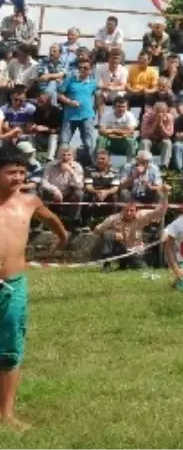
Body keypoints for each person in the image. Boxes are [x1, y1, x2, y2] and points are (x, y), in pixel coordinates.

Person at [0, 144, 68, 432]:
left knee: (10, 351)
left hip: (13, 286)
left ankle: (6, 414)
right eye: (10, 172)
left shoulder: (29, 202)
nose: (17, 177)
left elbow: (50, 218)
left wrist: (63, 238)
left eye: (21, 172)